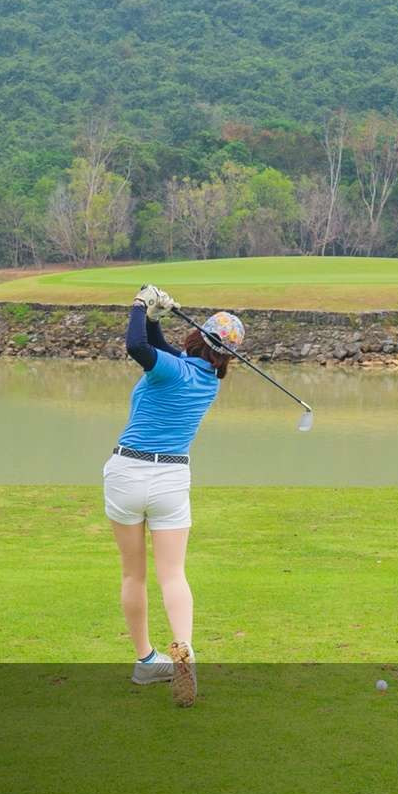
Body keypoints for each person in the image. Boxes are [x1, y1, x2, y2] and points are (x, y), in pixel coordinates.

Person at [103, 283, 244, 707]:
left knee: (134, 575)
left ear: (197, 337)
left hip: (127, 473)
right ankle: (184, 647)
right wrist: (154, 317)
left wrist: (139, 305)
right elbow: (157, 347)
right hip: (171, 481)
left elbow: (136, 347)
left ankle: (146, 660)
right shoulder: (207, 383)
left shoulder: (168, 369)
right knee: (173, 574)